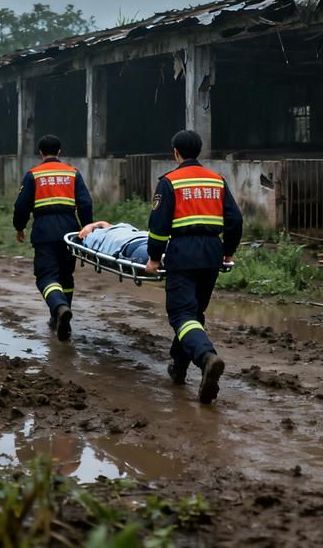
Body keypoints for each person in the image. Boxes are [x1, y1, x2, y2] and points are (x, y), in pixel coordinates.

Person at [145, 129, 242, 404]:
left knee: (181, 314)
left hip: (183, 253)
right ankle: (179, 366)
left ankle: (206, 357)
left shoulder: (169, 182)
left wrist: (154, 257)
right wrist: (228, 252)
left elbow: (159, 227)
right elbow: (235, 220)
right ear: (199, 151)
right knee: (194, 313)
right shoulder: (216, 180)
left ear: (175, 152)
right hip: (211, 252)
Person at [13, 134, 93, 341]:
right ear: (59, 151)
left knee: (47, 276)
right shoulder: (73, 173)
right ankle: (58, 317)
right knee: (66, 277)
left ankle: (59, 308)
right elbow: (85, 203)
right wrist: (87, 227)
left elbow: (21, 205)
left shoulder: (33, 175)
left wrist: (19, 227)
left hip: (44, 231)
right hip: (70, 231)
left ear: (40, 153)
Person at [78, 220, 150, 265]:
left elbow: (103, 223)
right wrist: (90, 227)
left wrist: (97, 224)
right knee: (152, 256)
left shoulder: (123, 226)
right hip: (130, 246)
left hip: (147, 239)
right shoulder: (93, 236)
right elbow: (83, 235)